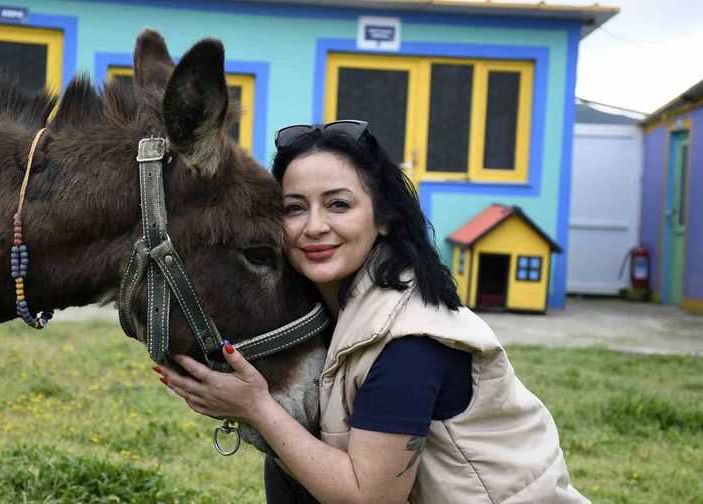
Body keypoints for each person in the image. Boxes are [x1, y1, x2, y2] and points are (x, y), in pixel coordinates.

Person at [156, 120, 588, 504]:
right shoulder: (337, 309)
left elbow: (371, 498)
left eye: (338, 204)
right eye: (294, 207)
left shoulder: (410, 342)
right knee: (291, 459)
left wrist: (256, 408)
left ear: (383, 219)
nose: (314, 226)